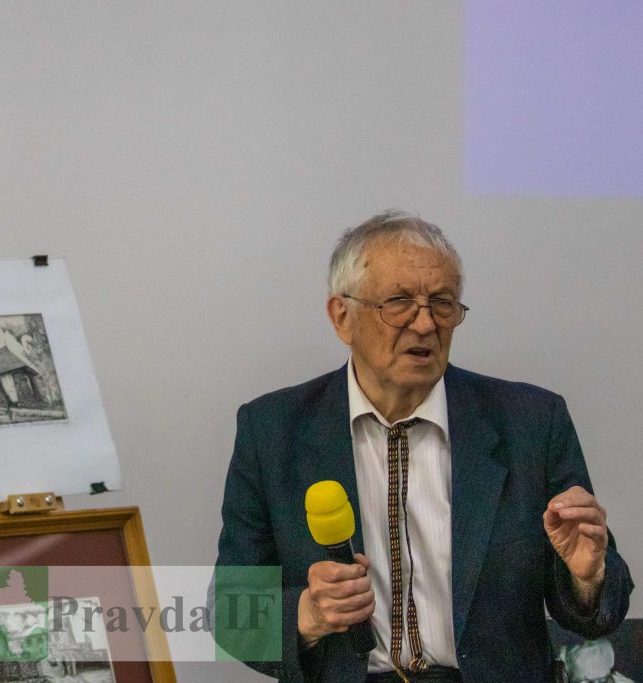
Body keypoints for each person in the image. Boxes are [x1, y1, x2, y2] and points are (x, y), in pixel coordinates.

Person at [215, 211, 633, 682]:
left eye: (442, 303)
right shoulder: (272, 430)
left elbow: (601, 610)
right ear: (342, 316)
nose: (425, 323)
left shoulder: (531, 422)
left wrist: (586, 577)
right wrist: (308, 614)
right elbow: (232, 614)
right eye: (399, 303)